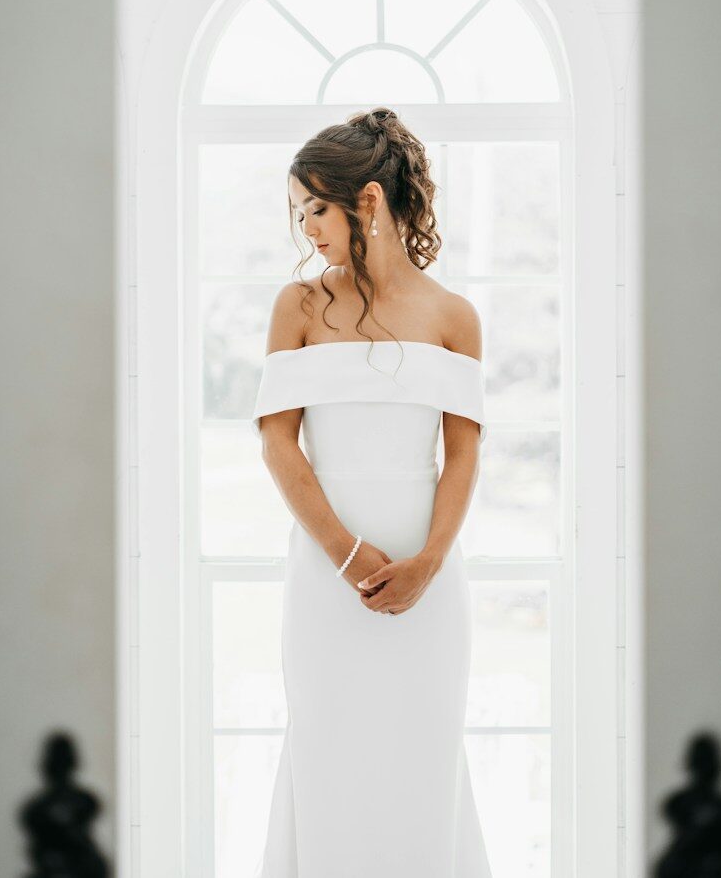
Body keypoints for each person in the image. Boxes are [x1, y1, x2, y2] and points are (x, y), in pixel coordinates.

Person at [249, 107, 493, 877]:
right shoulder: (299, 307)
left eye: (317, 207)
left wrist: (427, 561)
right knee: (327, 746)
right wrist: (344, 550)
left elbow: (462, 455)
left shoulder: (455, 317)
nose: (307, 227)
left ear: (369, 203)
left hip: (430, 574)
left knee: (423, 751)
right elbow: (277, 439)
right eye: (300, 211)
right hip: (326, 578)